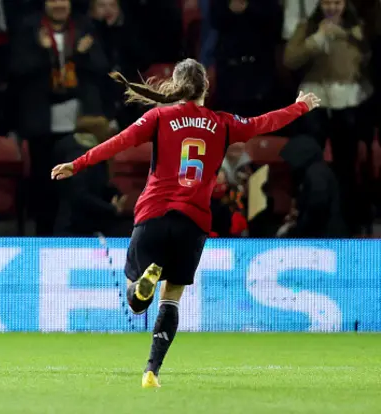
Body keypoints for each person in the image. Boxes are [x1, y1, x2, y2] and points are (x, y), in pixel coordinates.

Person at [50, 58, 320, 388]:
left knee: (136, 301)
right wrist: (300, 107)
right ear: (206, 88)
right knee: (172, 296)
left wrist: (76, 164)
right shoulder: (224, 123)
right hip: (192, 222)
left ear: (175, 86)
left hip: (153, 213)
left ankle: (141, 284)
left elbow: (117, 143)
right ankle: (152, 370)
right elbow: (265, 122)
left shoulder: (159, 117)